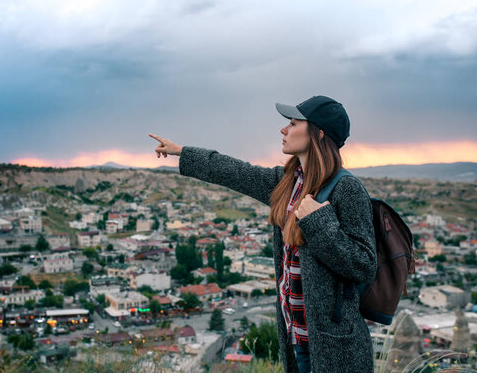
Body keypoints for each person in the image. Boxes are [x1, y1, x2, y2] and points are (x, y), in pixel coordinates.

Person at [149, 95, 377, 373]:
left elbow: (363, 265)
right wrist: (182, 152)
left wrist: (318, 222)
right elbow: (234, 171)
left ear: (318, 133)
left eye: (293, 124)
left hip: (335, 347)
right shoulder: (288, 182)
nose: (283, 130)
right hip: (296, 338)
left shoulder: (347, 189)